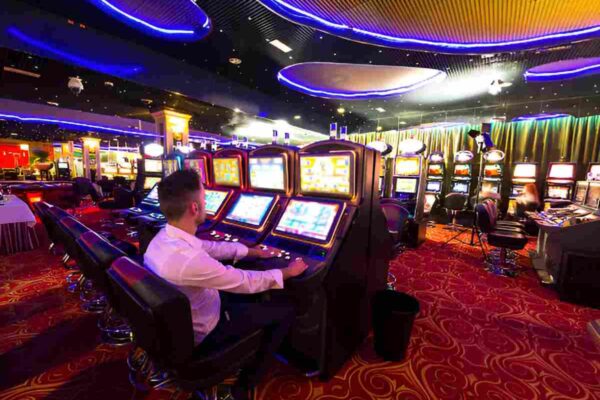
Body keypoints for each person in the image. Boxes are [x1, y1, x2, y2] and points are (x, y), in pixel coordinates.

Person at [144, 169, 308, 400]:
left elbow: (208, 247)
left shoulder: (163, 238)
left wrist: (251, 252)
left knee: (253, 296)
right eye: (204, 199)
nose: (207, 203)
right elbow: (243, 281)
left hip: (183, 321)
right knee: (285, 309)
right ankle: (246, 383)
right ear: (194, 208)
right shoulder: (189, 261)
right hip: (207, 330)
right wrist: (287, 272)